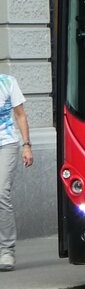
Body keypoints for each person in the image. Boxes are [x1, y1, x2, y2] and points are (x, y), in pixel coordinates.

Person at [0, 72, 33, 271]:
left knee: (1, 192)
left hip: (6, 143)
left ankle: (6, 250)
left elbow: (20, 114)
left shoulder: (7, 82)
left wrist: (26, 145)